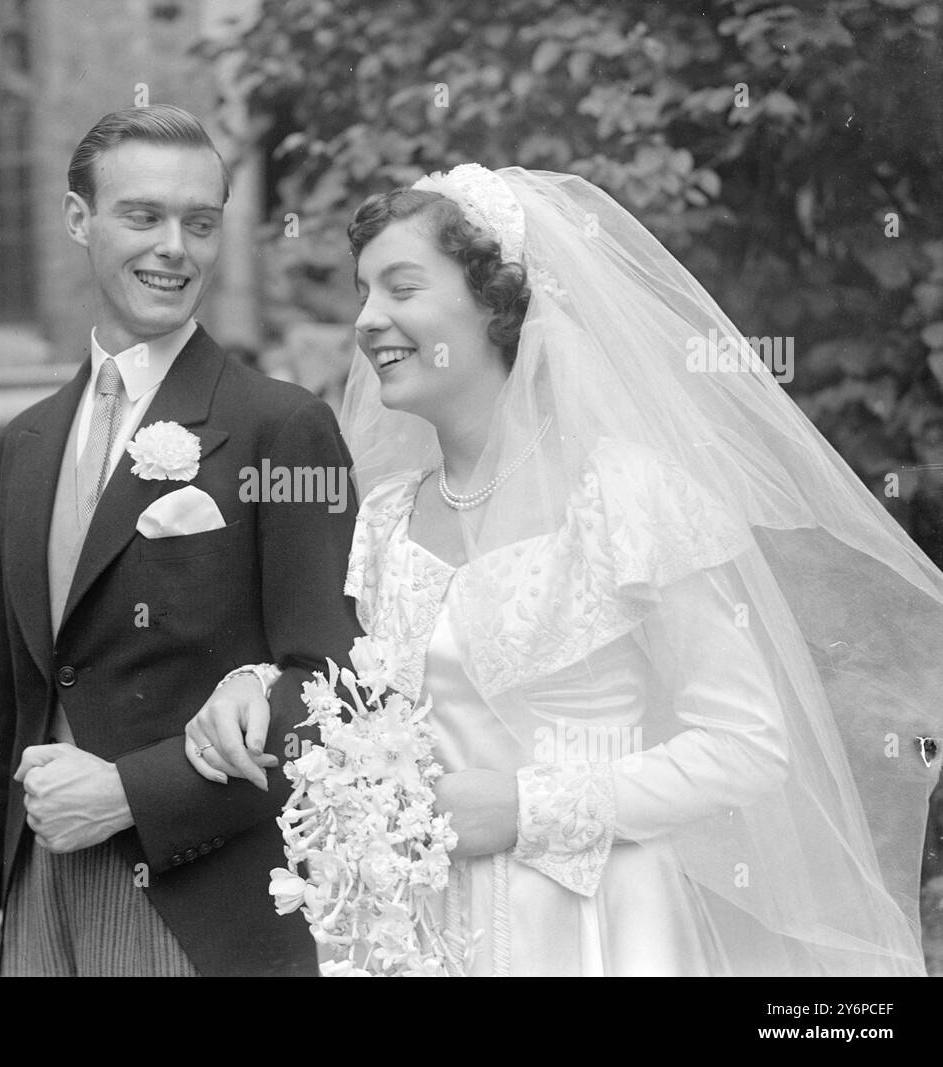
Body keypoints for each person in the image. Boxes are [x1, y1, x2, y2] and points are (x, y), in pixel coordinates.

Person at [191, 165, 942, 975]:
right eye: (364, 292)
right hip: (426, 923)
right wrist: (252, 683)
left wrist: (525, 806)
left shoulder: (626, 497)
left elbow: (746, 746)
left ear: (497, 303)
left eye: (402, 288)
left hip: (599, 923)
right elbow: (356, 705)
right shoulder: (384, 520)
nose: (370, 321)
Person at [0, 104, 360, 977]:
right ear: (79, 219)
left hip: (201, 908)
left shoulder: (282, 428)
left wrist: (129, 792)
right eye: (144, 216)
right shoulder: (24, 444)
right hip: (37, 908)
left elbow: (330, 696)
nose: (176, 247)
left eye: (201, 223)